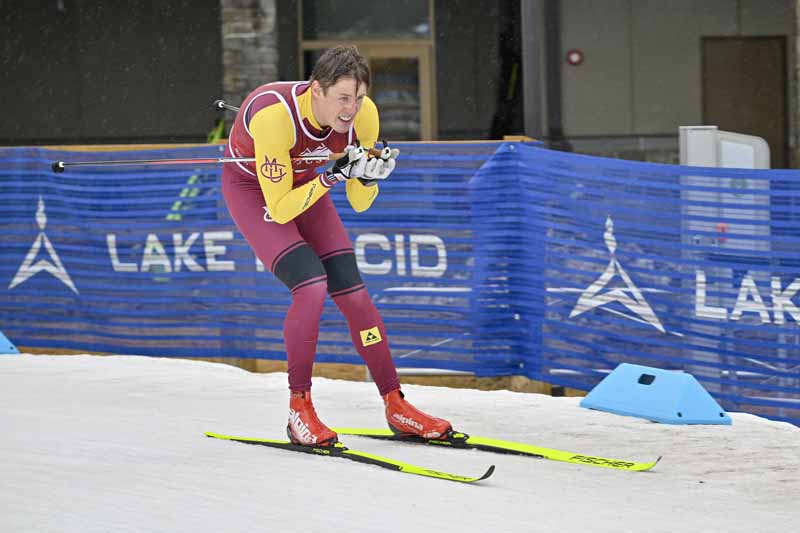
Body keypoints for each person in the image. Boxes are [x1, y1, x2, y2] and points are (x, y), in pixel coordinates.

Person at [221, 45, 452, 446]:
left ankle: (396, 403)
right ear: (317, 90)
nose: (351, 109)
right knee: (311, 286)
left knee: (355, 294)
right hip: (255, 192)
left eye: (359, 98)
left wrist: (368, 177)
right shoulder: (274, 117)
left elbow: (361, 204)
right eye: (343, 98)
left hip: (307, 186)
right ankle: (299, 410)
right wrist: (332, 176)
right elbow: (279, 208)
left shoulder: (365, 116)